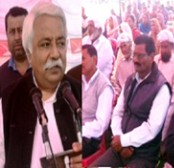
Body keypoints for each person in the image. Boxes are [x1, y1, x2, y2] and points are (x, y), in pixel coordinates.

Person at [1, 2, 82, 167]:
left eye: (60, 43)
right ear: (29, 53)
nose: (55, 54)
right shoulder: (8, 100)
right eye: (45, 44)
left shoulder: (78, 93)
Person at [91, 35, 171, 167]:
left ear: (152, 57)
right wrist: (119, 139)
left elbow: (152, 128)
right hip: (120, 149)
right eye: (134, 55)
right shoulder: (131, 80)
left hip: (143, 155)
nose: (135, 60)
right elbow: (118, 112)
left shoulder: (161, 88)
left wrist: (125, 141)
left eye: (140, 56)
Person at [82, 44, 113, 158]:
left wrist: (80, 130)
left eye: (83, 59)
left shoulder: (104, 86)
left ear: (94, 60)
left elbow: (101, 125)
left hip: (91, 139)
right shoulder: (79, 79)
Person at [154, 29, 174, 140]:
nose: (163, 50)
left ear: (171, 46)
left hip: (170, 103)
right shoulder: (156, 60)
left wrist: (162, 103)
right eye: (161, 47)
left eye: (166, 47)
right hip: (154, 98)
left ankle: (162, 144)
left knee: (165, 117)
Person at [0, 7, 30, 97]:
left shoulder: (43, 70)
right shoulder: (1, 76)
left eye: (20, 30)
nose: (17, 37)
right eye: (12, 32)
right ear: (7, 35)